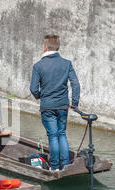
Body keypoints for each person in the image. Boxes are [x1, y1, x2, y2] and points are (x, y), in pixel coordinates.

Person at [29, 34, 80, 171]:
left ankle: (55, 167)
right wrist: (74, 103)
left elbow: (33, 89)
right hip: (63, 105)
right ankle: (66, 166)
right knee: (61, 133)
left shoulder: (38, 66)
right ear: (58, 47)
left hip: (47, 105)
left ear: (45, 47)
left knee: (53, 136)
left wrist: (40, 96)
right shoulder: (66, 63)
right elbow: (75, 84)